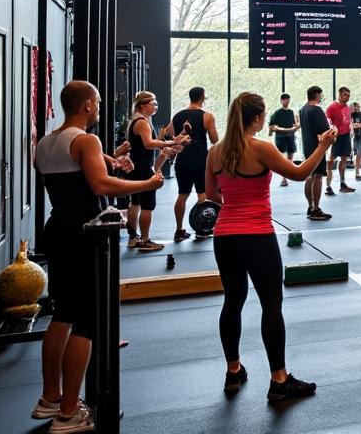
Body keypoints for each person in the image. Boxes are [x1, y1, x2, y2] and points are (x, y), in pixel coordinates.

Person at [32, 81, 169, 432]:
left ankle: (49, 398)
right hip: (84, 233)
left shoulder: (46, 142)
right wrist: (146, 184)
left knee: (61, 315)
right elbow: (101, 186)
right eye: (99, 102)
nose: (100, 107)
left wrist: (110, 160)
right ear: (89, 106)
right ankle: (67, 413)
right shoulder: (85, 140)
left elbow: (79, 172)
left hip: (57, 230)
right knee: (87, 323)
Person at [207, 91, 336, 403]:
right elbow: (300, 173)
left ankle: (233, 371)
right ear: (257, 118)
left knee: (232, 301)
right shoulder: (261, 148)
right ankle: (279, 380)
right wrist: (323, 146)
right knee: (271, 304)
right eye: (263, 116)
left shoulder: (216, 153)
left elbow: (212, 195)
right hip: (257, 235)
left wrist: (236, 206)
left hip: (225, 236)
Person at [126, 91, 189, 250]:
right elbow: (148, 144)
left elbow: (148, 145)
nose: (156, 106)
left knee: (136, 202)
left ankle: (134, 237)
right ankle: (144, 240)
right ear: (143, 106)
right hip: (142, 168)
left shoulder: (139, 121)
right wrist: (168, 144)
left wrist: (168, 145)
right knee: (147, 205)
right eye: (153, 103)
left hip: (137, 166)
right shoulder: (142, 122)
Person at [171, 87, 220, 242]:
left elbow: (171, 136)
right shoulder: (207, 116)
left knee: (182, 194)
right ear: (203, 97)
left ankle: (179, 230)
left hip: (182, 160)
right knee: (202, 195)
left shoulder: (177, 115)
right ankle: (201, 229)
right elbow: (214, 140)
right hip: (200, 160)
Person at [298, 86, 332, 221]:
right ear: (316, 95)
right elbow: (325, 132)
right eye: (320, 95)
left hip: (307, 147)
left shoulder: (302, 110)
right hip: (317, 148)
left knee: (310, 176)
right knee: (317, 176)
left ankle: (310, 206)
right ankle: (316, 209)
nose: (321, 97)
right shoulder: (316, 110)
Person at [326, 87, 355, 195]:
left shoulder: (348, 108)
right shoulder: (331, 108)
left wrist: (351, 129)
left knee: (344, 159)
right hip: (335, 137)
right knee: (331, 160)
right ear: (340, 95)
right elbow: (327, 122)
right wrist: (333, 130)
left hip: (345, 136)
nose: (347, 97)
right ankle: (328, 187)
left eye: (348, 95)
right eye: (345, 95)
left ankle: (342, 184)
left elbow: (349, 121)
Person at [268, 94, 299, 186]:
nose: (288, 102)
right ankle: (284, 178)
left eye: (289, 100)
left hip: (291, 136)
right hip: (280, 137)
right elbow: (271, 126)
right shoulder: (277, 113)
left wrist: (296, 126)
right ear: (282, 101)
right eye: (286, 100)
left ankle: (289, 175)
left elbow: (294, 124)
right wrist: (282, 130)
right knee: (281, 158)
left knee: (290, 156)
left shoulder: (291, 112)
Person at [350, 102, 361, 182]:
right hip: (350, 136)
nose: (356, 108)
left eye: (357, 107)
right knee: (356, 154)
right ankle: (357, 172)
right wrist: (354, 126)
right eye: (354, 107)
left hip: (359, 135)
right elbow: (350, 125)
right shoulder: (349, 114)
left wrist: (357, 125)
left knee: (359, 154)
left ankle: (357, 172)